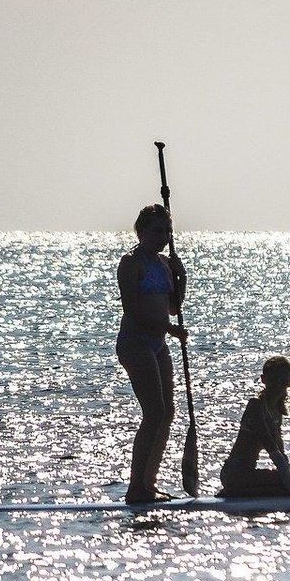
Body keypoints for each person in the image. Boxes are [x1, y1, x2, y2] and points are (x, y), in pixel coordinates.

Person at [116, 204, 187, 504]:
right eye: (157, 231)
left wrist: (181, 277)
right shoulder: (131, 263)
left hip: (158, 343)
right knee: (154, 413)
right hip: (135, 343)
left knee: (167, 413)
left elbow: (173, 307)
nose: (163, 237)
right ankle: (136, 488)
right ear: (141, 231)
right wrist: (169, 329)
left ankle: (149, 484)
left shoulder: (163, 263)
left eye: (167, 231)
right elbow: (133, 311)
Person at [219, 355, 290, 497]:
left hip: (248, 475)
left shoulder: (277, 410)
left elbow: (281, 454)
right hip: (234, 475)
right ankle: (234, 492)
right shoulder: (255, 406)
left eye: (283, 381)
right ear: (264, 380)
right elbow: (272, 450)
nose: (277, 385)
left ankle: (249, 491)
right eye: (273, 380)